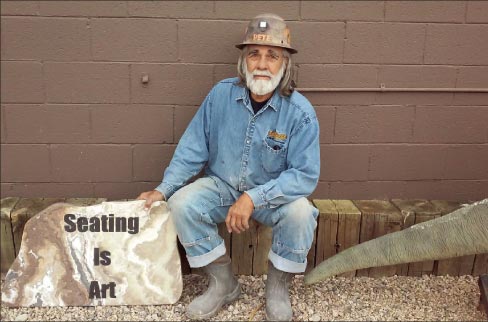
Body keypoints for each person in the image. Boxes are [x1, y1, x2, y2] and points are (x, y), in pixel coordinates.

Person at [137, 13, 320, 321]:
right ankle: (224, 283)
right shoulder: (220, 95)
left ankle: (276, 288)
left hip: (270, 196)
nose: (262, 64)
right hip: (222, 186)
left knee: (301, 213)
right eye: (254, 55)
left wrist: (253, 198)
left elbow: (304, 175)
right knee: (181, 204)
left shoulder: (300, 113)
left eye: (272, 56)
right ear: (243, 61)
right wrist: (163, 189)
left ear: (284, 64)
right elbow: (193, 148)